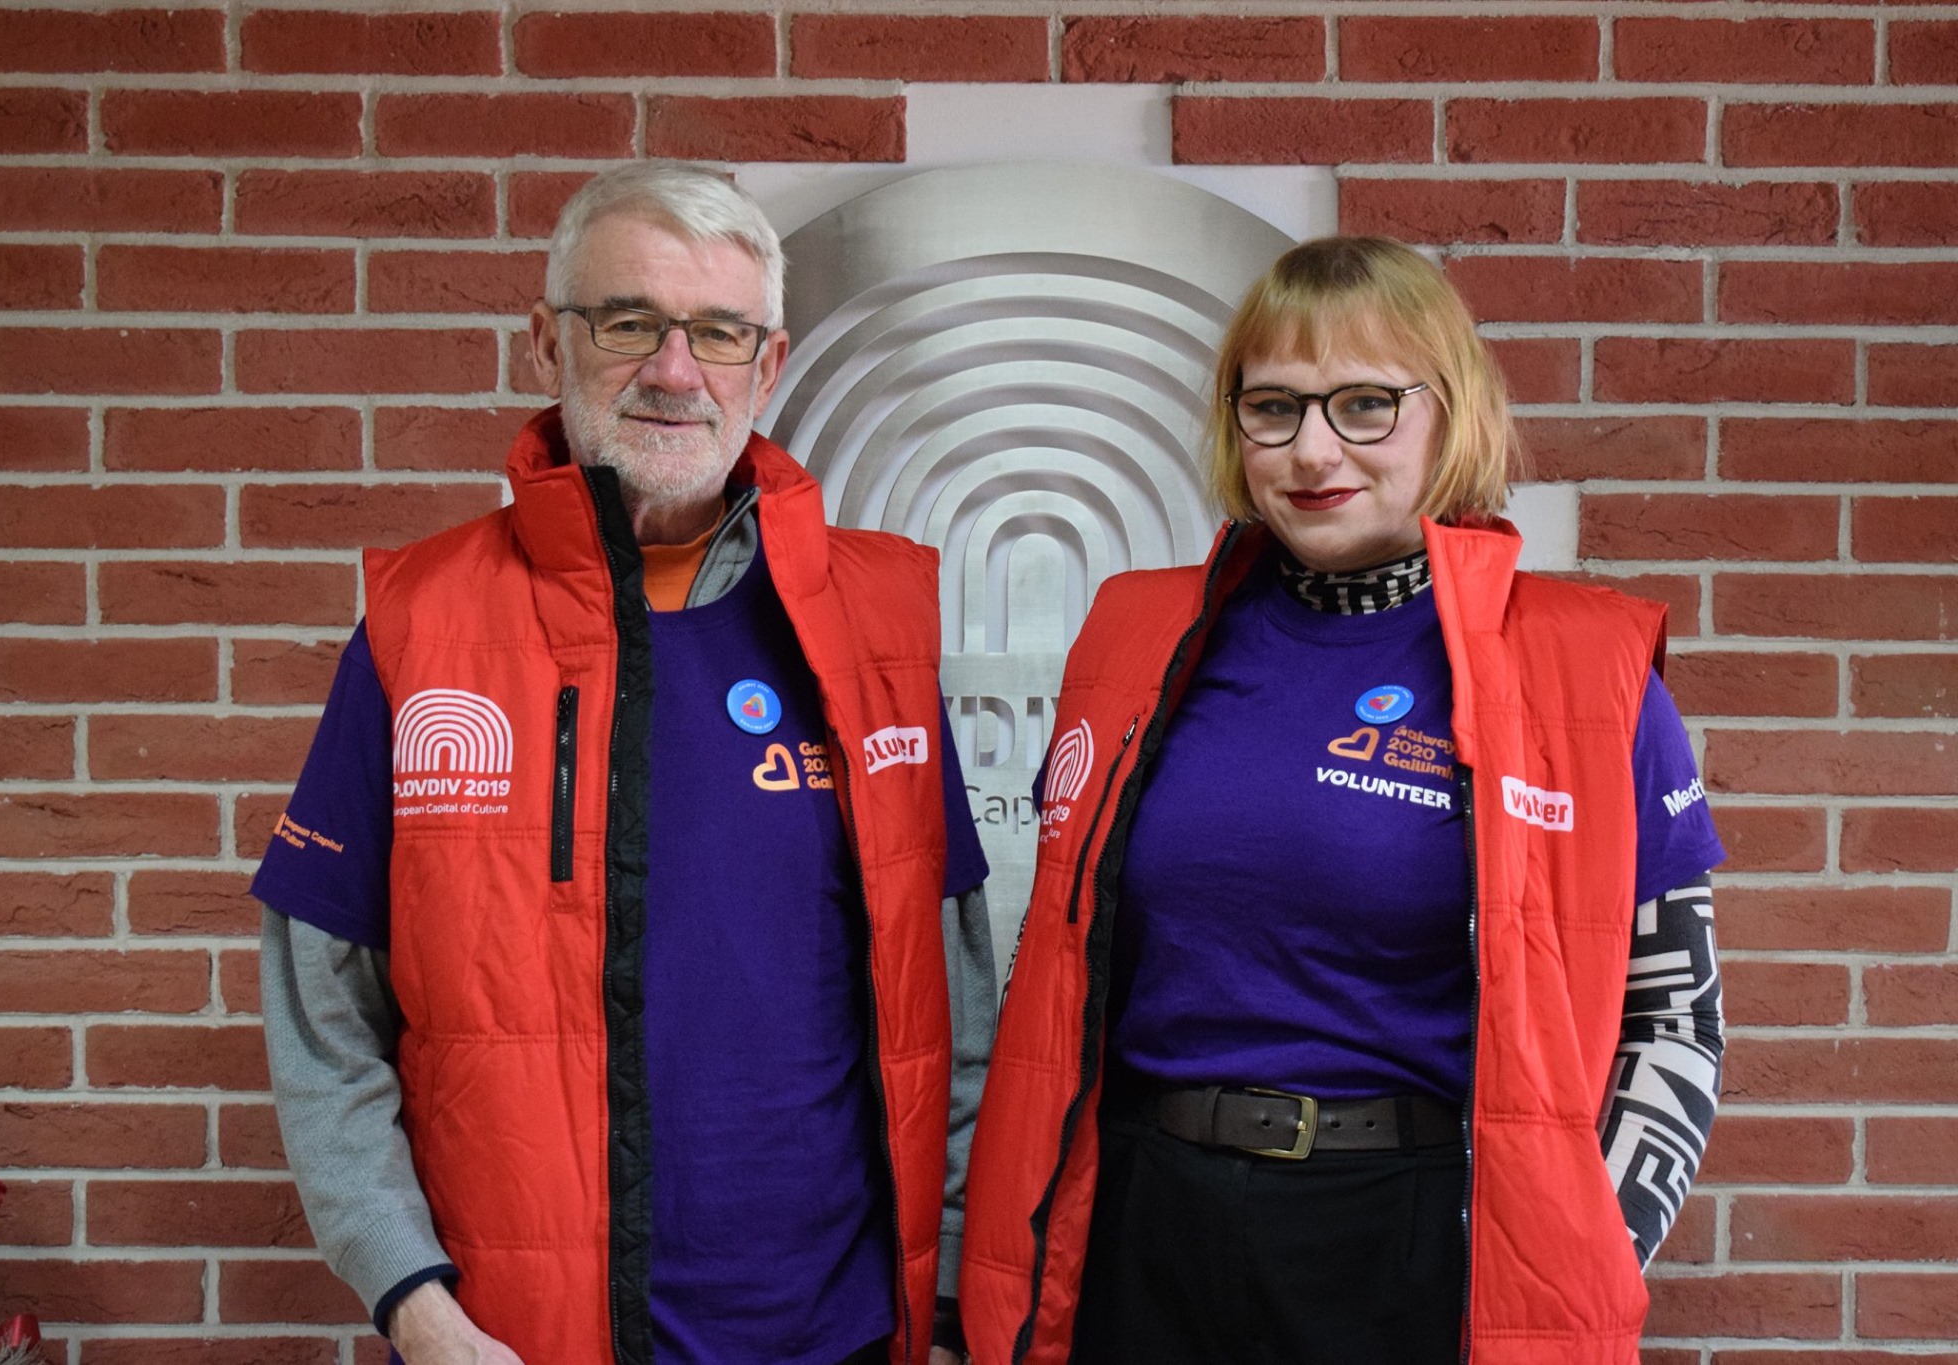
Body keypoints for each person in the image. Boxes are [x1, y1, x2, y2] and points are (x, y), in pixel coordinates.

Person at [253, 162, 994, 1365]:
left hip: (840, 1333)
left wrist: (952, 1299)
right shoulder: (423, 623)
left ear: (772, 362)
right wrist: (414, 1304)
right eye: (629, 321)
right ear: (546, 341)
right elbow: (321, 1012)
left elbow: (951, 1006)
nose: (672, 369)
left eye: (717, 332)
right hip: (516, 1339)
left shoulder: (880, 623)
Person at [960, 236, 1725, 1365]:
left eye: (1364, 404)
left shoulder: (1583, 670)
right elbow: (1062, 971)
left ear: (1447, 413)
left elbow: (1673, 1021)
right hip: (1144, 1226)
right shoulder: (1134, 636)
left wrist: (1578, 1253)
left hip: (1406, 1242)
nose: (1312, 450)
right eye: (1272, 407)